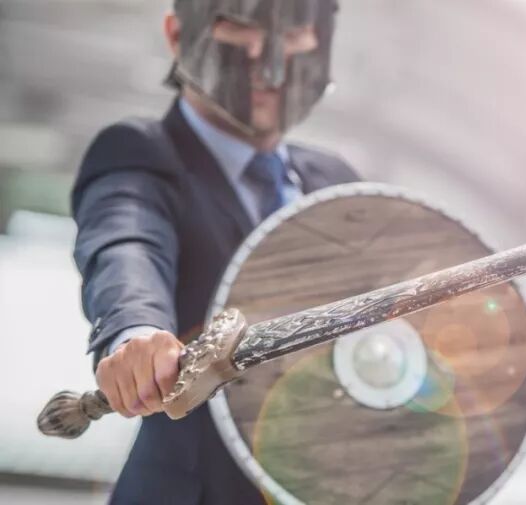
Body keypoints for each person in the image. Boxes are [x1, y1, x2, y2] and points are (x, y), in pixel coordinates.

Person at [71, 1, 355, 503]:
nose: (269, 64)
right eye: (239, 25)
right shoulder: (138, 152)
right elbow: (126, 243)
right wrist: (136, 333)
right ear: (176, 34)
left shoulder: (338, 183)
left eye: (296, 33)